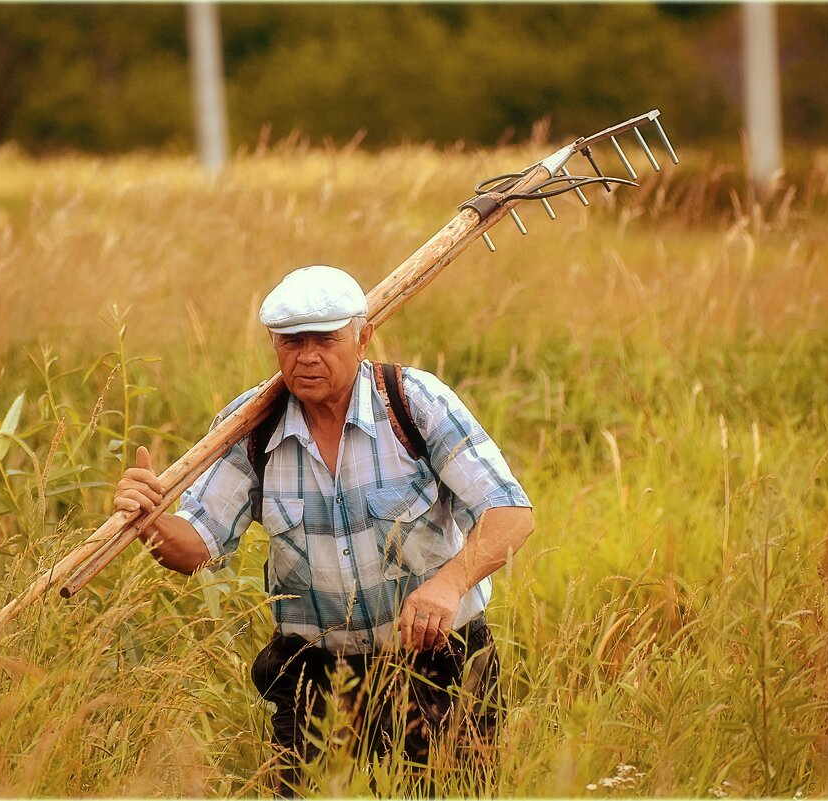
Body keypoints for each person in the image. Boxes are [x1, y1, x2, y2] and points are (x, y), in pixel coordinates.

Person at [113, 265, 534, 795]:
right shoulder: (251, 424)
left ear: (363, 337)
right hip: (313, 680)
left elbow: (510, 513)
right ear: (274, 344)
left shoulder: (413, 402)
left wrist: (449, 584)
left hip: (436, 665)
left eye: (325, 340)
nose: (307, 356)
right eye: (291, 342)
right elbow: (198, 546)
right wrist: (148, 522)